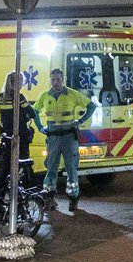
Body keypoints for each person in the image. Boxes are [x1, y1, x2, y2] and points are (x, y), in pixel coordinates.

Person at [34, 67, 96, 212]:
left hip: (69, 137)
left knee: (71, 168)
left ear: (63, 80)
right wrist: (40, 127)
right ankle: (49, 199)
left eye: (58, 79)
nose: (55, 82)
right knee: (51, 168)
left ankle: (73, 200)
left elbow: (91, 106)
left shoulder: (73, 94)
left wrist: (79, 121)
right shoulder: (45, 96)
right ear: (50, 80)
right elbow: (34, 111)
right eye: (53, 79)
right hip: (53, 138)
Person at [0, 71, 43, 213]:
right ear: (16, 82)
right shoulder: (19, 98)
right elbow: (32, 112)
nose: (22, 84)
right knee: (24, 167)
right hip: (19, 138)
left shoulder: (0, 97)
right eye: (21, 82)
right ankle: (25, 199)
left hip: (6, 138)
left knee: (4, 170)